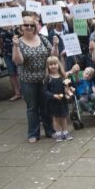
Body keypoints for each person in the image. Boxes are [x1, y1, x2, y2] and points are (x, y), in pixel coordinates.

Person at [12, 14, 58, 143]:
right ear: (21, 27)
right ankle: (33, 133)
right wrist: (15, 47)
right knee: (32, 107)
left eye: (31, 25)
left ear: (35, 27)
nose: (28, 27)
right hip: (27, 80)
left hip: (43, 78)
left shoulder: (42, 39)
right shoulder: (18, 41)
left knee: (46, 106)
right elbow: (18, 61)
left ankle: (50, 131)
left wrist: (55, 45)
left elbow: (53, 56)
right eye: (25, 25)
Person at [43, 56, 74, 142]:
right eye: (51, 64)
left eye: (55, 64)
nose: (53, 66)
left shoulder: (62, 77)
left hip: (62, 101)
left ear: (58, 65)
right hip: (53, 102)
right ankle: (58, 133)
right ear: (48, 66)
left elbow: (66, 87)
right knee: (55, 118)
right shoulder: (48, 78)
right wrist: (53, 95)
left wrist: (69, 91)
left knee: (63, 117)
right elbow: (45, 91)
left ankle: (65, 132)